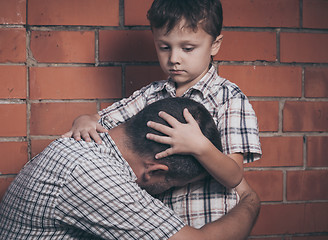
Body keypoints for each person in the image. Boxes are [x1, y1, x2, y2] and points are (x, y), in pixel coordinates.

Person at [62, 0, 262, 227]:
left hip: (209, 224)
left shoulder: (228, 98)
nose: (174, 58)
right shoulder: (151, 94)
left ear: (215, 45)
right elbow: (101, 120)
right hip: (159, 226)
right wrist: (83, 120)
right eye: (164, 47)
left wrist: (200, 146)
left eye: (187, 48)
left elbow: (234, 175)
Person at [0, 98, 260, 240]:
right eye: (173, 187)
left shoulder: (88, 149)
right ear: (154, 172)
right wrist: (250, 202)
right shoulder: (96, 175)